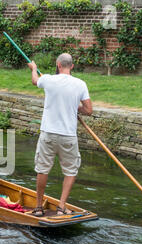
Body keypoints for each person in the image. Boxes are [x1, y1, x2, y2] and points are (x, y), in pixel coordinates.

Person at [28, 53, 93, 217]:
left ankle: (38, 207)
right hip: (68, 136)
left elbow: (35, 80)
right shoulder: (80, 84)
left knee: (43, 170)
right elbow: (88, 110)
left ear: (58, 64)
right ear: (72, 66)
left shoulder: (48, 79)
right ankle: (61, 206)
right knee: (70, 171)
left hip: (48, 133)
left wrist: (34, 68)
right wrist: (74, 108)